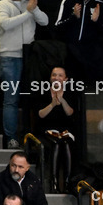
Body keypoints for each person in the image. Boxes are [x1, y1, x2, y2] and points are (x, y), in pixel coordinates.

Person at [0, 0, 47, 149]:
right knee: (11, 99)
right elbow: (6, 24)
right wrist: (28, 13)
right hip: (10, 56)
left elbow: (45, 21)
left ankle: (31, 136)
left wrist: (33, 9)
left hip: (30, 57)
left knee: (32, 98)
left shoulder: (29, 4)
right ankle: (11, 137)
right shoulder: (2, 4)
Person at [54, 0, 103, 84]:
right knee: (73, 86)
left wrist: (96, 22)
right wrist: (73, 17)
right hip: (70, 52)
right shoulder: (68, 1)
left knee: (91, 87)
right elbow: (57, 27)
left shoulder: (100, 5)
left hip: (92, 55)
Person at [35, 65, 77, 193]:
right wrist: (52, 104)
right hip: (47, 131)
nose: (56, 78)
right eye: (54, 75)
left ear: (65, 79)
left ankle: (67, 183)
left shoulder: (71, 93)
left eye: (60, 75)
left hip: (65, 131)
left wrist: (62, 101)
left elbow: (70, 113)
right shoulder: (42, 92)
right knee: (56, 144)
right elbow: (40, 114)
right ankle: (53, 184)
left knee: (66, 143)